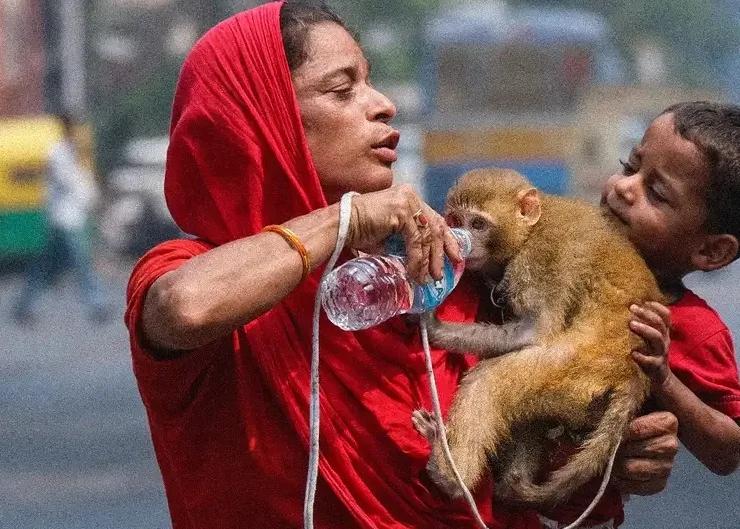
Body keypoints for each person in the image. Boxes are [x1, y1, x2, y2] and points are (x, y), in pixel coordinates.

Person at [124, 3, 678, 529]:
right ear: (261, 121)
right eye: (343, 90)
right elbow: (185, 308)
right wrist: (347, 218)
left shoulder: (424, 278)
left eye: (370, 81)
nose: (384, 103)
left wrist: (612, 461)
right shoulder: (186, 269)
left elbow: (499, 464)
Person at [604, 101, 740, 476]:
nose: (625, 187)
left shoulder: (691, 328)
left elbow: (728, 450)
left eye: (657, 193)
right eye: (630, 166)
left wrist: (662, 378)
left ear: (711, 250)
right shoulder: (564, 248)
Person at [13, 111, 110, 326]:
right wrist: (91, 198)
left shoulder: (70, 152)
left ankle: (25, 305)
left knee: (46, 266)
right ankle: (97, 303)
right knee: (81, 263)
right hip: (63, 220)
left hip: (70, 218)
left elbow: (80, 180)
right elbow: (70, 182)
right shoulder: (57, 153)